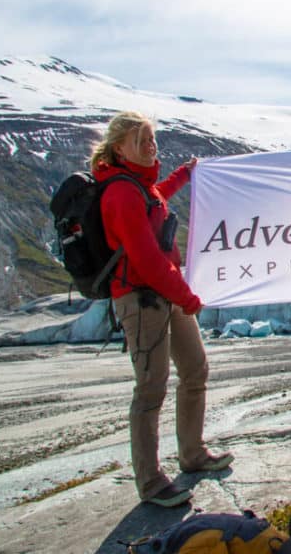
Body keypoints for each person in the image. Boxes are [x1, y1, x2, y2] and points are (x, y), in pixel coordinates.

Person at [91, 111, 234, 507]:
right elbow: (147, 259)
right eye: (141, 140)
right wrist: (187, 296)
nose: (150, 145)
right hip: (141, 298)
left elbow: (157, 199)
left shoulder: (141, 186)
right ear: (119, 148)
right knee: (151, 387)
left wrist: (185, 175)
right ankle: (151, 482)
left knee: (195, 369)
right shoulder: (120, 193)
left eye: (152, 138)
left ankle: (191, 454)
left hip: (165, 293)